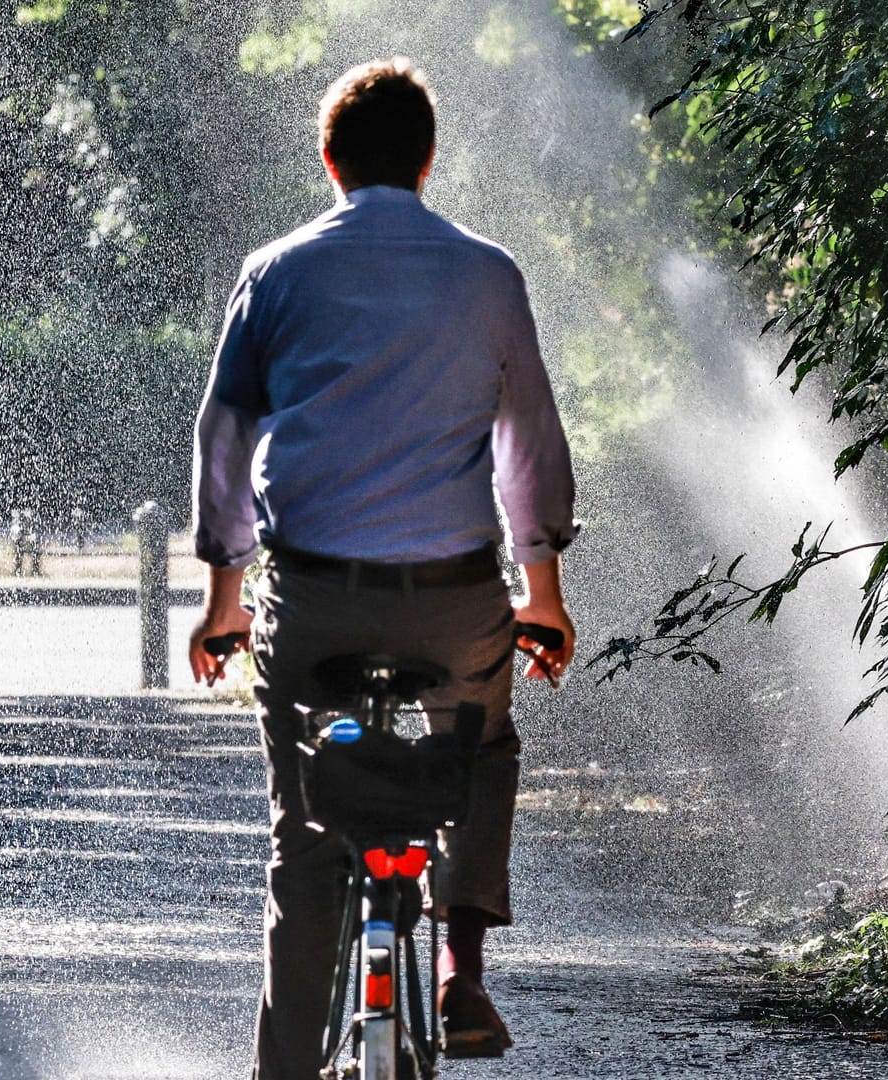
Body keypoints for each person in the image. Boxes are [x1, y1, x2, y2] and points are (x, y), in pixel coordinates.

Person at [187, 58, 578, 1078]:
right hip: (452, 602)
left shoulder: (277, 270)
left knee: (304, 844)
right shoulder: (487, 272)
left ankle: (282, 1068)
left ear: (329, 162)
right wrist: (544, 594)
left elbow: (225, 437)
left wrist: (223, 601)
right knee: (482, 745)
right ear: (429, 162)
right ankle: (459, 968)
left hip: (312, 599)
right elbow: (527, 440)